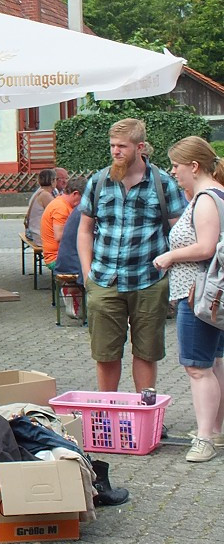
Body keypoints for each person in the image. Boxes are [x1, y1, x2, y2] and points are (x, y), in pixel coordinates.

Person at [77, 118, 186, 392]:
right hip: (104, 280)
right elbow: (85, 230)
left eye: (122, 146)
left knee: (147, 353)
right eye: (112, 145)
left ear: (140, 147)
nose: (115, 151)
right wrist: (88, 273)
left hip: (148, 281)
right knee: (106, 354)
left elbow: (181, 234)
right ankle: (106, 414)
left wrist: (173, 271)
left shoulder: (163, 184)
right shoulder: (99, 181)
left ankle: (145, 414)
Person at [151, 137, 224, 462]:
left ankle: (205, 438)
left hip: (197, 295)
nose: (173, 172)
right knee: (215, 362)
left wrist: (170, 256)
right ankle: (216, 431)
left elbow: (206, 247)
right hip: (209, 296)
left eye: (177, 166)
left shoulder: (207, 199)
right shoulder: (214, 194)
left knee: (197, 368)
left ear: (194, 166)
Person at [40, 175, 87, 267]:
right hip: (58, 258)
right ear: (75, 194)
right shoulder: (60, 208)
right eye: (84, 198)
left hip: (62, 255)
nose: (85, 202)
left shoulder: (61, 202)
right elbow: (59, 236)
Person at [23, 169, 56, 244]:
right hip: (40, 235)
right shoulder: (45, 195)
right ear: (52, 181)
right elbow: (57, 211)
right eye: (55, 179)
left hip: (34, 232)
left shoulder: (39, 192)